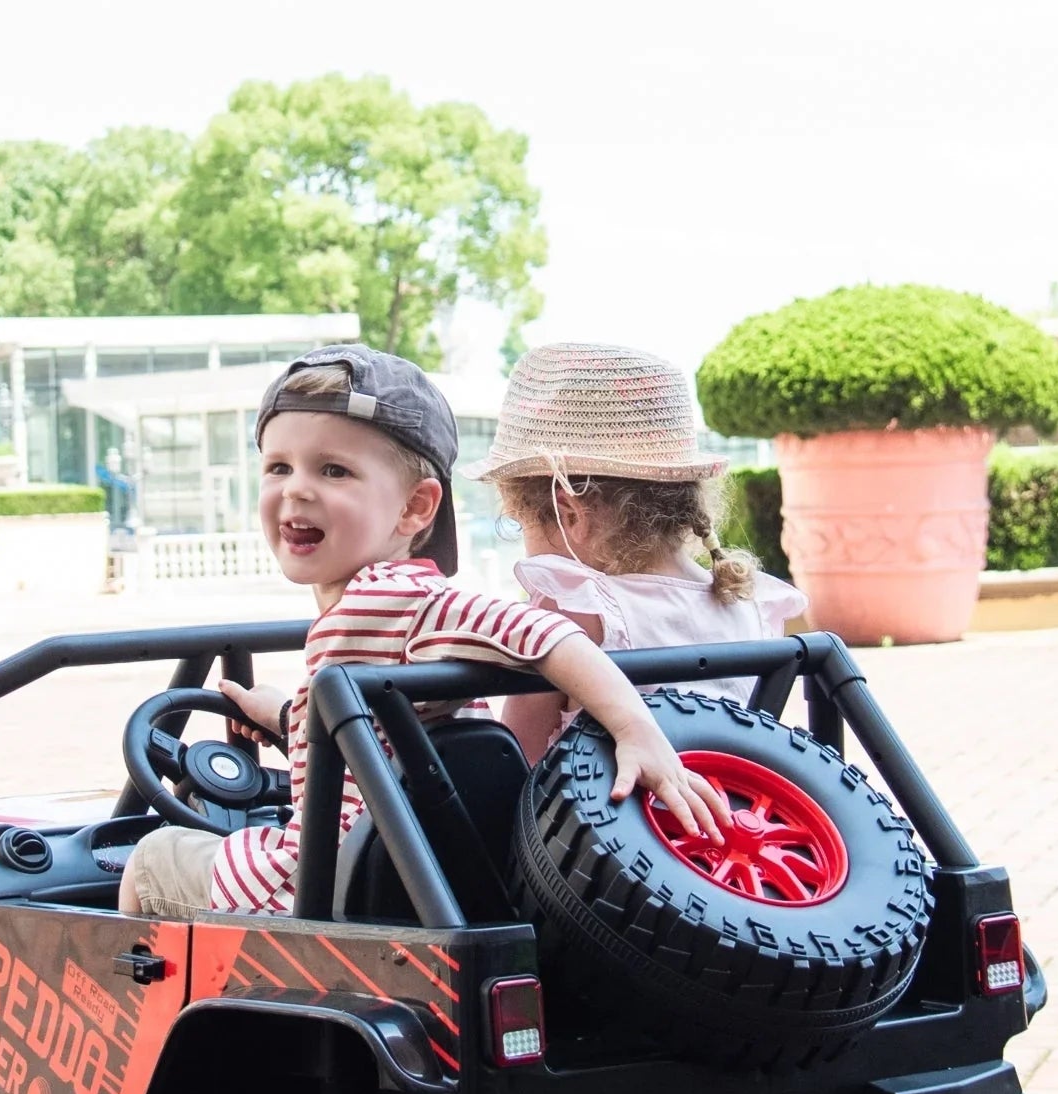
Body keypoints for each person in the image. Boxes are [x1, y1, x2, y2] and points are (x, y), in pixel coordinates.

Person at [118, 344, 723, 919]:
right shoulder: (379, 613)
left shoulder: (401, 600)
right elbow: (379, 734)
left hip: (317, 883)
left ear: (414, 509)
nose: (296, 488)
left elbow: (546, 633)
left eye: (333, 470)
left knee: (149, 856)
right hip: (393, 872)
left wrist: (634, 729)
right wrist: (288, 717)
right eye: (278, 466)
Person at [473, 342, 809, 761]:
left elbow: (516, 755)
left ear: (569, 514)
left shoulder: (577, 608)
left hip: (599, 824)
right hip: (723, 818)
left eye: (520, 523)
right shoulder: (751, 605)